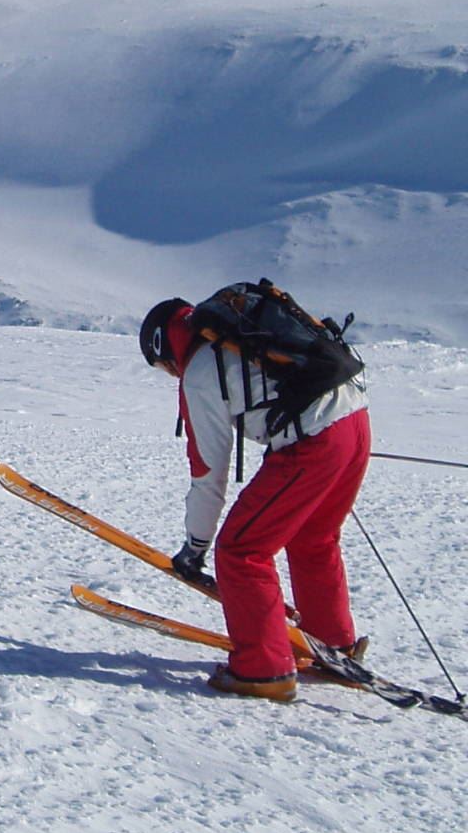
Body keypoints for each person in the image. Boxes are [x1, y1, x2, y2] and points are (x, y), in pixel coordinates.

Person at [138, 294, 370, 703]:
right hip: (355, 422)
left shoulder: (202, 368)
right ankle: (333, 643)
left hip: (313, 442)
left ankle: (264, 669)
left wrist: (195, 547)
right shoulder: (238, 335)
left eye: (164, 367)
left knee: (242, 550)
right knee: (313, 538)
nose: (171, 375)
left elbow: (209, 472)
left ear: (164, 348)